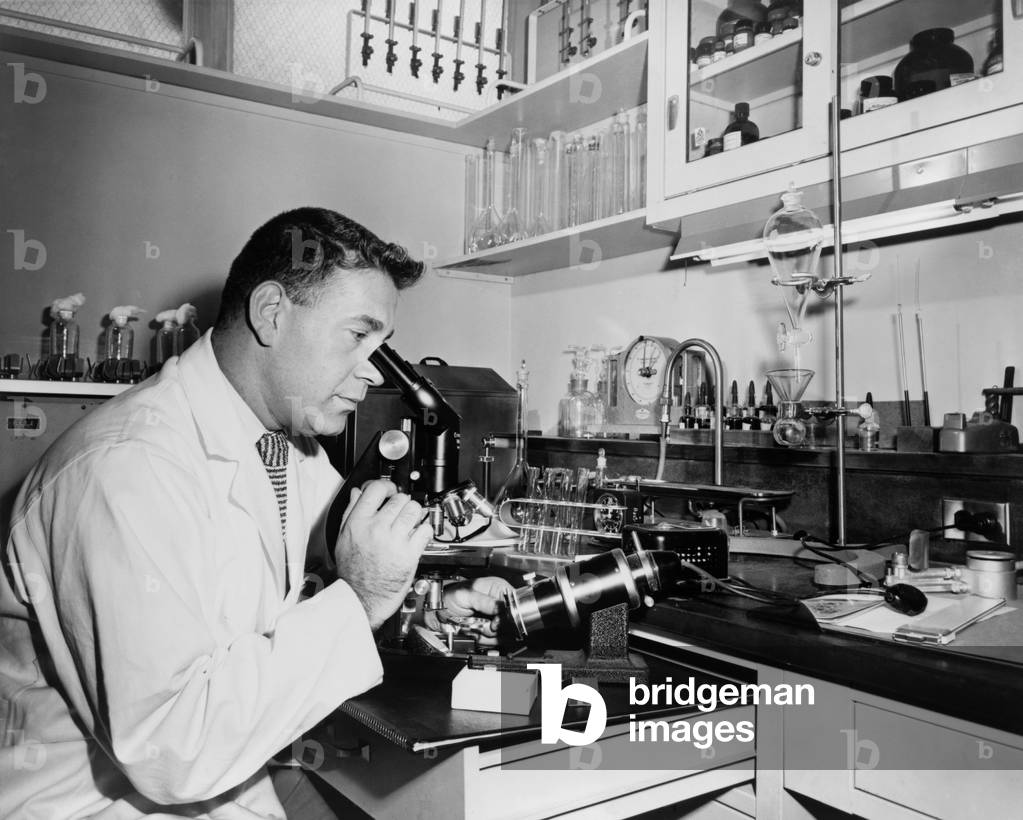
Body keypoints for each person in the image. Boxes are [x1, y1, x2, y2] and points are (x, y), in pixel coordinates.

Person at [0, 208, 509, 818]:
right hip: (97, 802)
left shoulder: (286, 447)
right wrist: (365, 598)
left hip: (240, 775)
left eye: (382, 346)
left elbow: (312, 589)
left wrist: (423, 604)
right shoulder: (123, 471)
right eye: (358, 335)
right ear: (271, 313)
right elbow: (174, 752)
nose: (374, 371)